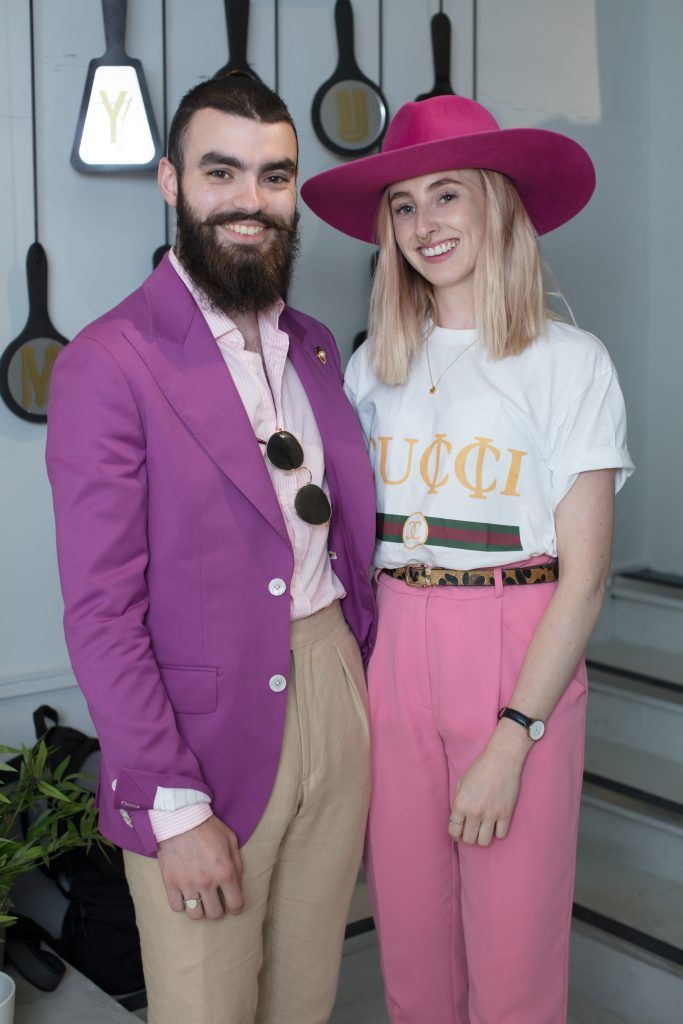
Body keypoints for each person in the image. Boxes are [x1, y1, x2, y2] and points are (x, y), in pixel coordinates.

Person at [46, 74, 376, 1024]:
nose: (250, 200)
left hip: (332, 690)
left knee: (306, 994)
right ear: (170, 181)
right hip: (196, 735)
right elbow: (101, 611)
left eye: (274, 177)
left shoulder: (315, 347)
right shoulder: (109, 361)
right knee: (207, 1006)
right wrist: (171, 804)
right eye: (221, 171)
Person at [301, 95, 634, 1023]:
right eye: (403, 206)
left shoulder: (568, 361)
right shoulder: (372, 368)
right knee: (410, 951)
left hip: (514, 647)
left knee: (512, 958)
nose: (423, 224)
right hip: (394, 648)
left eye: (447, 195)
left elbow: (586, 577)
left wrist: (513, 734)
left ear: (497, 204)